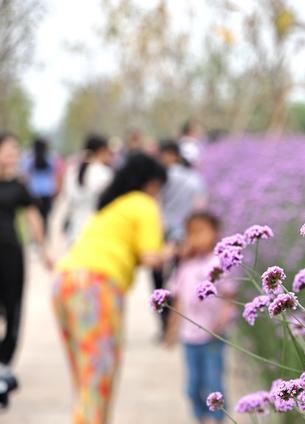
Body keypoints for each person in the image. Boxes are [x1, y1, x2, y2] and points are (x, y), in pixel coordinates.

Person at [53, 153, 173, 424]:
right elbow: (150, 257)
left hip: (65, 281)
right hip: (95, 286)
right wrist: (178, 250)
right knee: (99, 378)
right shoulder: (143, 203)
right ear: (151, 183)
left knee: (86, 379)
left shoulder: (113, 205)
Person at [164, 212, 236, 424]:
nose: (196, 238)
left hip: (213, 336)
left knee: (214, 383)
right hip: (189, 338)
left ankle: (218, 419)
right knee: (192, 386)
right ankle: (200, 418)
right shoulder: (185, 266)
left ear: (216, 234)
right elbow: (177, 302)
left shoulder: (219, 263)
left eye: (201, 231)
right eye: (191, 233)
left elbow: (230, 297)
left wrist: (221, 322)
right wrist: (170, 330)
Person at [0, 133, 52, 386]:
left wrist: (44, 250)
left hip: (10, 255)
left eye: (15, 150)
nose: (14, 155)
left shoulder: (19, 185)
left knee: (13, 310)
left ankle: (4, 363)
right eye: (9, 150)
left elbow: (33, 217)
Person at [152, 141, 208, 337]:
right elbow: (200, 207)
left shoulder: (161, 178)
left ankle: (164, 322)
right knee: (182, 278)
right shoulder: (195, 179)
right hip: (186, 236)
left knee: (159, 279)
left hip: (163, 234)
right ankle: (180, 324)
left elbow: (154, 204)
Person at [58, 134, 114, 242]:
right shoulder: (104, 173)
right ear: (101, 150)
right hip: (97, 233)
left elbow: (67, 198)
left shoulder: (72, 172)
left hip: (75, 232)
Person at [21, 136, 63, 235]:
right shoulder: (51, 158)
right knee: (45, 216)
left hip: (33, 191)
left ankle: (35, 236)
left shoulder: (29, 159)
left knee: (34, 216)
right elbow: (57, 175)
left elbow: (25, 176)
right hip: (47, 191)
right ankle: (44, 236)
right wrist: (57, 189)